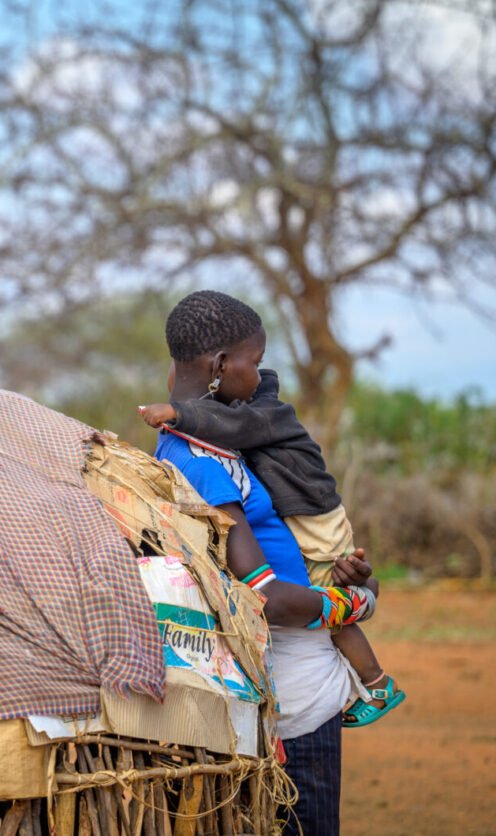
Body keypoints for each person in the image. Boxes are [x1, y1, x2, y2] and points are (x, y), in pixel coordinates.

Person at [140, 290, 380, 836]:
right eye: (256, 359)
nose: (262, 372)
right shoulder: (200, 462)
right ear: (221, 365)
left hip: (287, 690)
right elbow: (264, 597)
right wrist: (354, 605)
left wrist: (342, 579)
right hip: (295, 700)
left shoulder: (214, 445)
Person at [138, 363, 405, 729]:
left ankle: (377, 683)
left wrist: (176, 412)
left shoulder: (264, 416)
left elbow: (276, 599)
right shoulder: (216, 449)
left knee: (328, 601)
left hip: (317, 519)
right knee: (326, 600)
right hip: (303, 520)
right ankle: (373, 675)